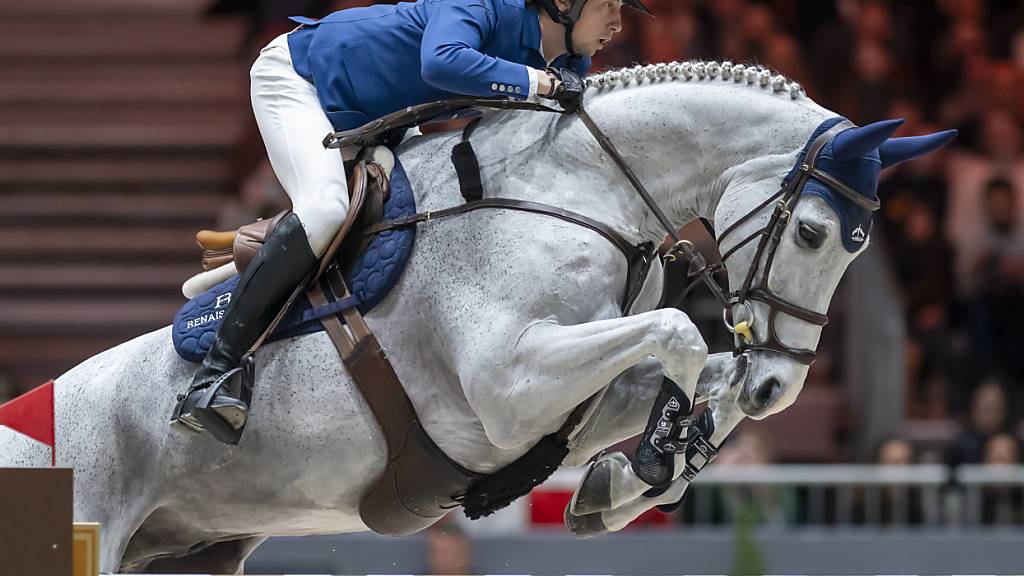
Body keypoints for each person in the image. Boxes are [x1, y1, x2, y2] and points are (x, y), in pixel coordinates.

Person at [171, 0, 649, 443]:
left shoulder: (567, 64)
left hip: (383, 120)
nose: (618, 23)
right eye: (608, 4)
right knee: (325, 209)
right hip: (304, 83)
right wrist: (540, 85)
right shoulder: (483, 4)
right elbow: (441, 61)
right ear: (564, 1)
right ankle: (217, 371)